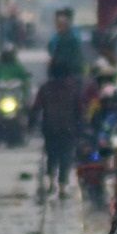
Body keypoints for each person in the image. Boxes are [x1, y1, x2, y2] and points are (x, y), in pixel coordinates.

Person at [31, 64, 83, 199]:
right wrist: (80, 127)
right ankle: (62, 186)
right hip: (67, 129)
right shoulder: (72, 89)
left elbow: (36, 107)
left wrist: (31, 124)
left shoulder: (46, 88)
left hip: (50, 128)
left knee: (52, 156)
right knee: (65, 157)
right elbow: (79, 110)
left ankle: (51, 182)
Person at [47, 7, 83, 79]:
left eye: (60, 24)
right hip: (65, 72)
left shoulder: (70, 38)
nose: (57, 26)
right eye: (57, 23)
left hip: (67, 72)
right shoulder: (58, 37)